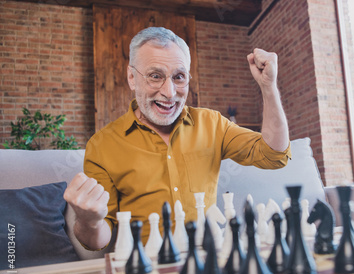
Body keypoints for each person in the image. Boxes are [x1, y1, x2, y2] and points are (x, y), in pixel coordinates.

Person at [63, 27, 290, 250]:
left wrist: (268, 87)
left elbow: (274, 155)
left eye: (179, 77)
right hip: (147, 270)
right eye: (155, 76)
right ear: (132, 77)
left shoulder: (212, 124)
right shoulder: (102, 145)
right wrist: (88, 221)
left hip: (206, 261)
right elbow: (98, 241)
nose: (170, 92)